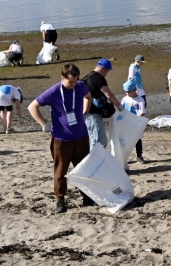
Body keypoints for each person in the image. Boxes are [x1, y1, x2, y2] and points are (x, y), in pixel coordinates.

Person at [28, 63, 95, 213]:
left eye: (76, 80)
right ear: (62, 77)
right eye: (70, 81)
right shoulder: (53, 92)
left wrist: (85, 111)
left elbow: (88, 96)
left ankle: (87, 197)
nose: (74, 84)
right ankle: (60, 199)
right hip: (61, 138)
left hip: (81, 136)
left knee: (83, 168)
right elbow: (32, 107)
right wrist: (43, 123)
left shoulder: (80, 86)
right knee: (61, 171)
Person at [83, 59, 123, 147]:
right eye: (108, 71)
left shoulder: (86, 77)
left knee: (95, 139)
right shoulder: (99, 78)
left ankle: (93, 159)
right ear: (105, 69)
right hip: (92, 114)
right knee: (100, 141)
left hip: (86, 114)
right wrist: (119, 106)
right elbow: (108, 94)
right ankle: (93, 160)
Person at [121, 78, 146, 163]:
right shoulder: (125, 99)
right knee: (126, 141)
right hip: (126, 123)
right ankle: (124, 157)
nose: (128, 94)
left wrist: (138, 120)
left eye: (130, 92)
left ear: (135, 90)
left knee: (137, 140)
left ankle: (139, 156)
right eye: (126, 92)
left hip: (135, 123)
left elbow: (142, 112)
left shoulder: (140, 99)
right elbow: (121, 109)